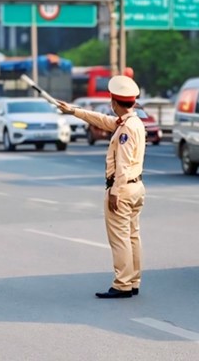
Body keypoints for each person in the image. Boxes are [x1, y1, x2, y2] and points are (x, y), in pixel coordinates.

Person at [56, 75, 146, 299]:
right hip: (137, 188)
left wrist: (114, 191)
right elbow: (102, 120)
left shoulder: (125, 130)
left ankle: (122, 284)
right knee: (133, 236)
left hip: (122, 188)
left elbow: (123, 165)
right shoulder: (133, 123)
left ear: (115, 102)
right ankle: (133, 281)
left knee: (120, 239)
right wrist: (74, 111)